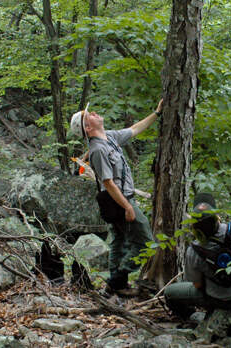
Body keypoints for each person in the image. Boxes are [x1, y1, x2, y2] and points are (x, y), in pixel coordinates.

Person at [69, 100, 163, 294]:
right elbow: (108, 183)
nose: (94, 113)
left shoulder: (110, 137)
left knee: (119, 240)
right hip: (119, 200)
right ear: (87, 127)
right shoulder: (97, 150)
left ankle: (115, 286)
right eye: (90, 115)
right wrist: (128, 207)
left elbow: (134, 130)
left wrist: (157, 113)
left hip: (120, 199)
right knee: (146, 241)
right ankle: (117, 280)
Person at [163, 193, 231, 326]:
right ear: (217, 217)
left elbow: (197, 285)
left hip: (218, 299)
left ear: (194, 225)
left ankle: (193, 317)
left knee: (170, 293)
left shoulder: (193, 250)